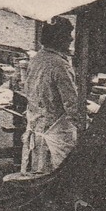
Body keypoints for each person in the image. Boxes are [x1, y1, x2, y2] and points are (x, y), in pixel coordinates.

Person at [22, 19, 82, 175]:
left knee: (40, 173)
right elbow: (72, 105)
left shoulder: (37, 58)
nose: (71, 39)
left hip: (38, 125)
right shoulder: (60, 65)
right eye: (67, 35)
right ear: (57, 38)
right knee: (62, 175)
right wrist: (84, 123)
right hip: (56, 134)